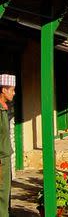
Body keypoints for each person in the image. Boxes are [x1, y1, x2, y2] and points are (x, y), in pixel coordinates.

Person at [0, 74, 16, 217]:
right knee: (2, 194)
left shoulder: (5, 108)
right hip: (0, 159)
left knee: (6, 193)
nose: (14, 93)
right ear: (4, 90)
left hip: (5, 157)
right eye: (12, 89)